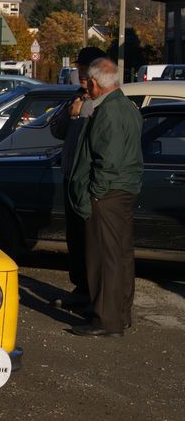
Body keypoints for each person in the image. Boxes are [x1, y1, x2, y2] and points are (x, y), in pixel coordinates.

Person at [68, 58, 143, 339]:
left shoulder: (109, 112)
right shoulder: (128, 107)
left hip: (107, 194)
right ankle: (119, 313)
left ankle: (106, 320)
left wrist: (95, 194)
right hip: (122, 190)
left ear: (96, 83)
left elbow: (106, 161)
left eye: (88, 81)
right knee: (120, 256)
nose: (86, 86)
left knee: (104, 258)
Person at [50, 46, 107, 308]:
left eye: (86, 68)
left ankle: (90, 292)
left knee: (89, 240)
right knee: (74, 238)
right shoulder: (75, 97)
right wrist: (71, 114)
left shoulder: (102, 101)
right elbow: (55, 128)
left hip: (88, 181)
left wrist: (78, 117)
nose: (82, 73)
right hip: (70, 177)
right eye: (80, 68)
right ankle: (80, 287)